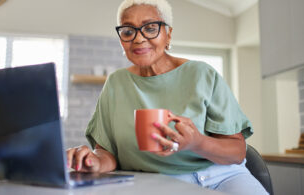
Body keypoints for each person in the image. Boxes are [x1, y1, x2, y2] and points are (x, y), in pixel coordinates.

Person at [66, 0, 268, 194]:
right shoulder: (115, 84)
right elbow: (107, 152)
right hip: (159, 183)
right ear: (121, 39)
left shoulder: (202, 74)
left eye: (150, 28)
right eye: (128, 31)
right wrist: (93, 162)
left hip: (223, 177)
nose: (138, 38)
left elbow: (237, 151)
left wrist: (197, 142)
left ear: (168, 34)